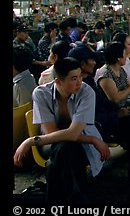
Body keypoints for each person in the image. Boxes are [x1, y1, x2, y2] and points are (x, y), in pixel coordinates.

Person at [13, 57, 111, 204]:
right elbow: (52, 132)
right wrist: (92, 139)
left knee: (60, 158)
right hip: (50, 142)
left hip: (74, 141)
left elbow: (73, 134)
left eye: (80, 76)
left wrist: (30, 141)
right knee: (66, 149)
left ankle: (57, 201)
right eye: (73, 78)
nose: (79, 82)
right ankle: (78, 200)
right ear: (58, 81)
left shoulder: (86, 92)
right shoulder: (41, 93)